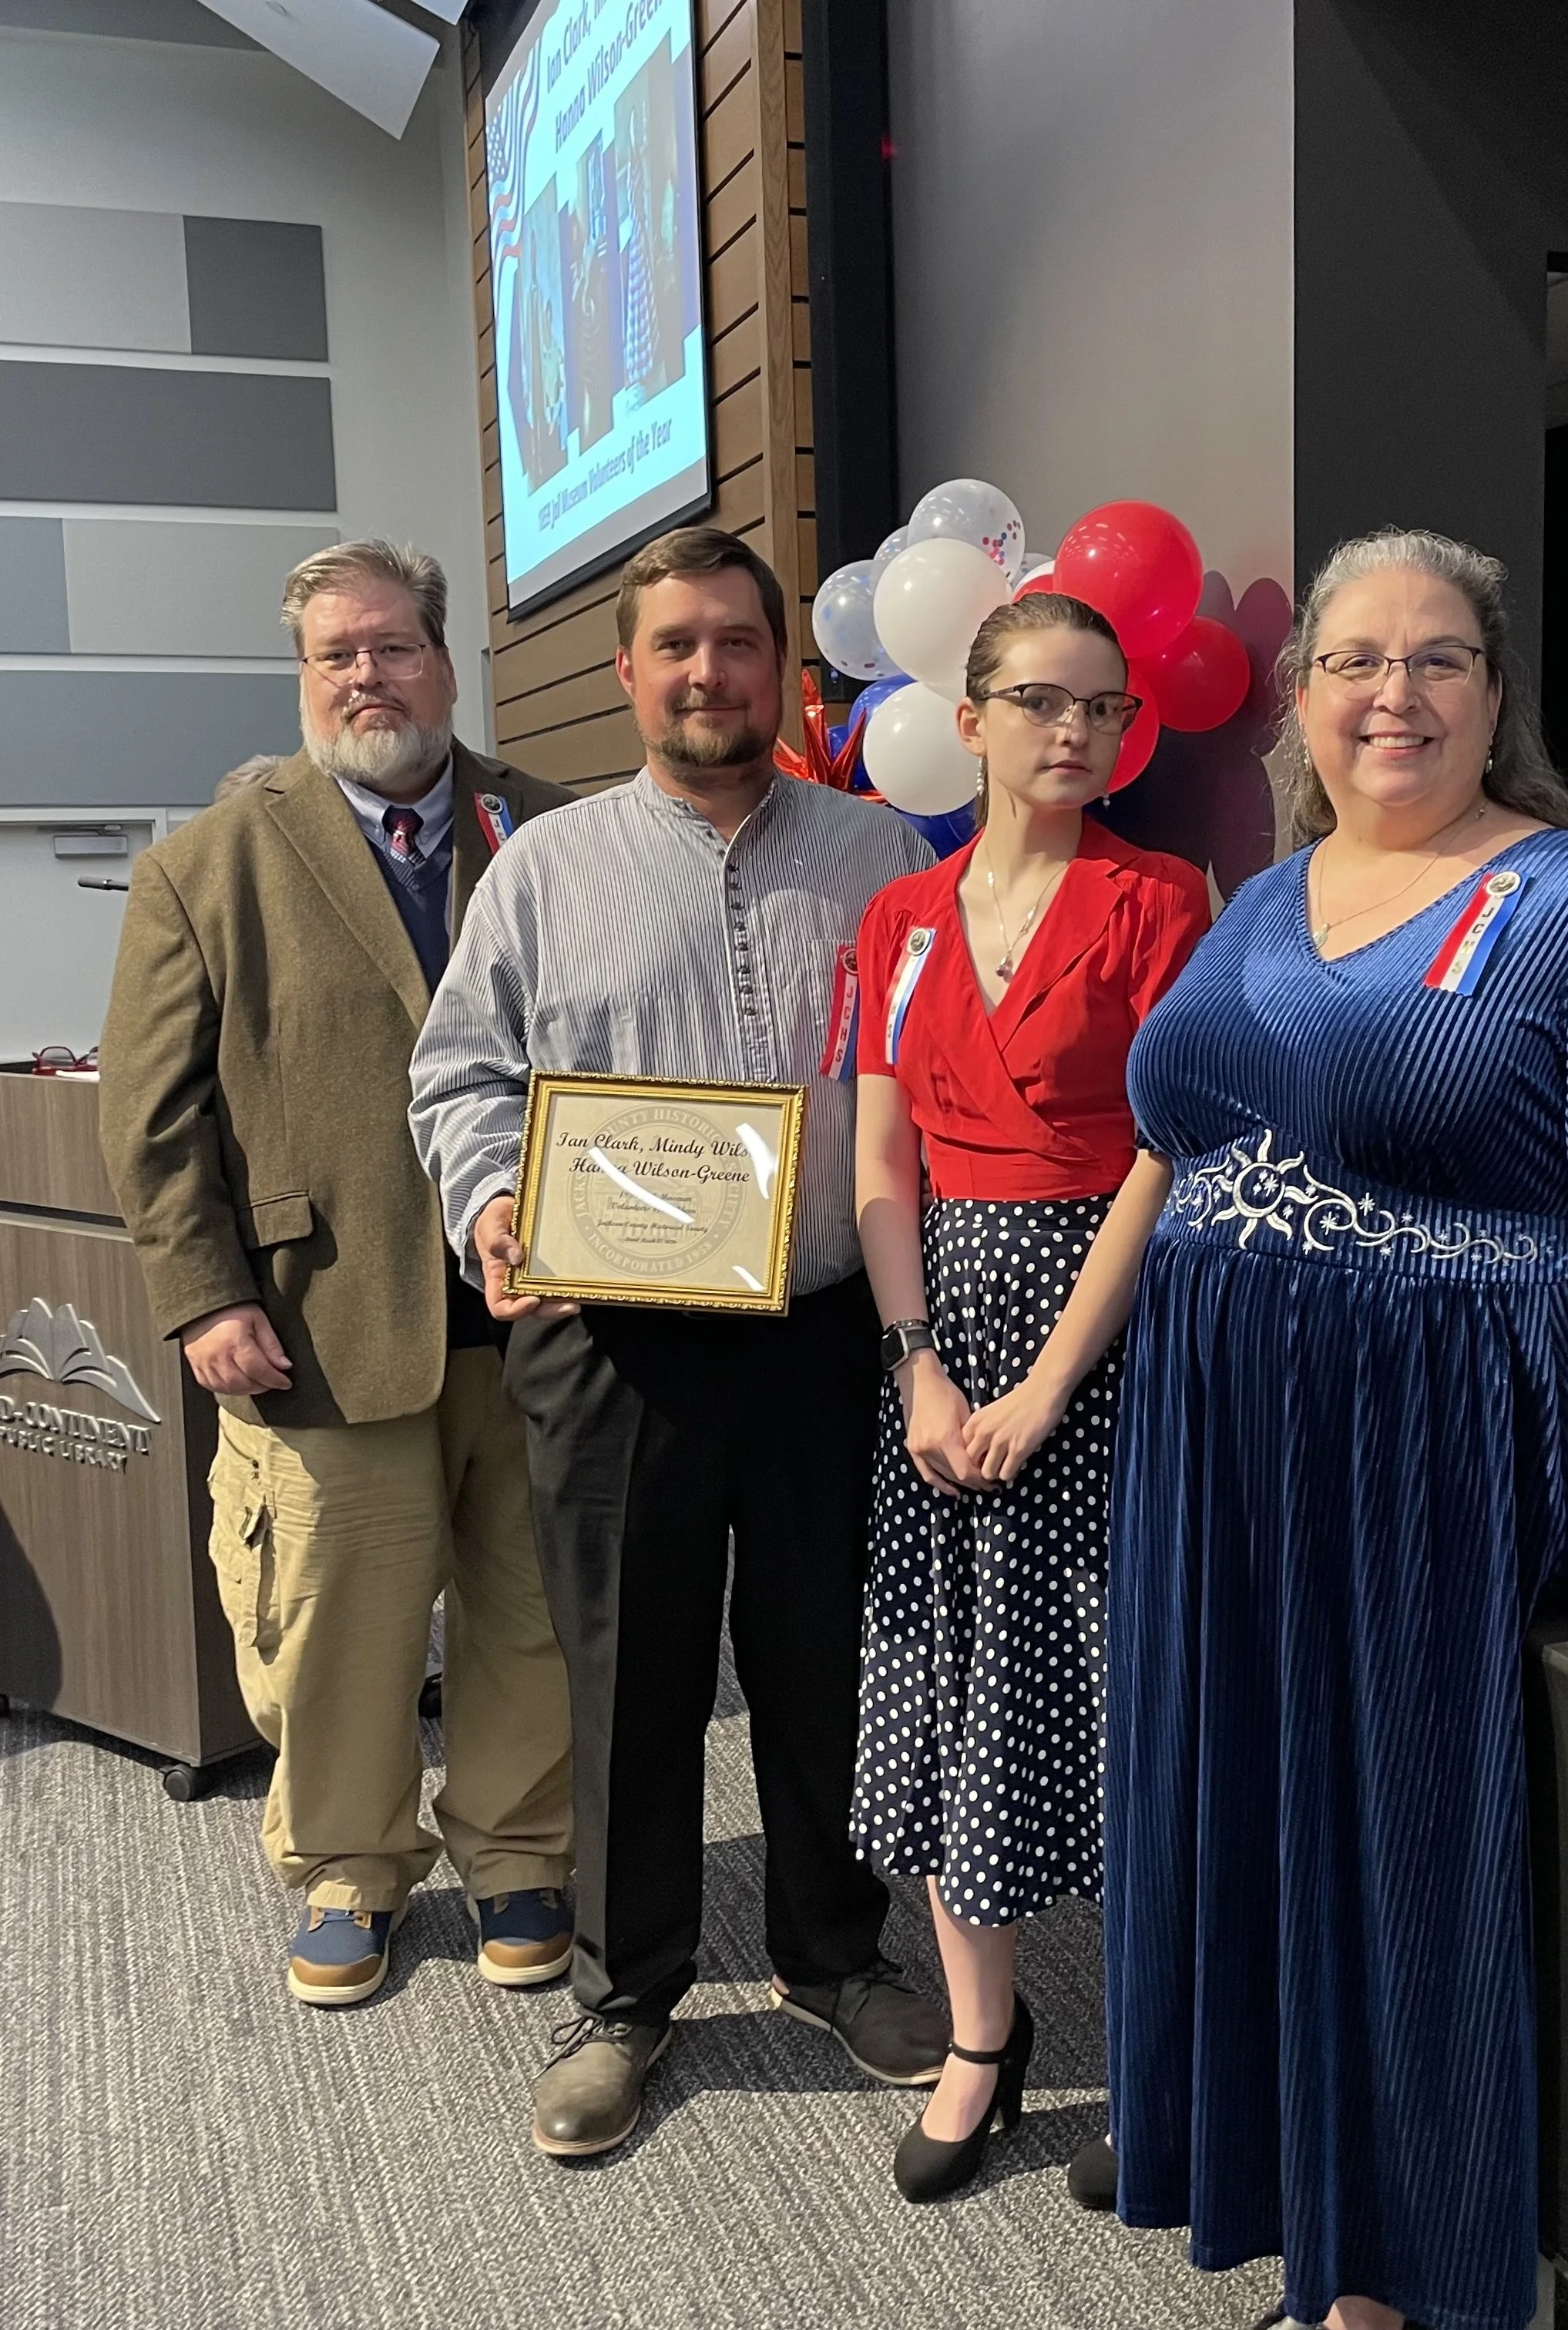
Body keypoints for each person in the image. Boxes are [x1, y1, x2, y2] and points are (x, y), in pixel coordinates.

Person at [1090, 529, 1568, 2330]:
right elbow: (1174, 1145)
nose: (1389, 695)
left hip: (1436, 1460)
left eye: (1434, 662)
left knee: (1411, 1846)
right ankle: (1323, 2227)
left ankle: (1408, 2282)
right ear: (1302, 696)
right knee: (1261, 1824)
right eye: (1351, 661)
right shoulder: (1267, 891)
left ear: (1493, 698)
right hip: (1233, 1459)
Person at [408, 525, 947, 2161]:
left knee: (819, 1657)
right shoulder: (540, 872)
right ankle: (626, 1992)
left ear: (785, 669)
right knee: (627, 1677)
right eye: (676, 646)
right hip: (612, 1341)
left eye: (736, 642)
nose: (707, 671)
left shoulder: (880, 857)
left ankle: (830, 1954)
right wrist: (496, 1203)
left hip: (818, 1331)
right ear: (628, 672)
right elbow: (460, 1079)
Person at [99, 540, 576, 2010]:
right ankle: (348, 1870)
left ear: (445, 657)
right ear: (305, 678)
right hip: (322, 1312)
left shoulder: (552, 830)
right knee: (339, 1618)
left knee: (528, 1605)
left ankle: (517, 1849)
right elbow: (153, 1108)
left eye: (393, 646)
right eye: (336, 656)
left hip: (538, 1306)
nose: (368, 676)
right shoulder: (207, 862)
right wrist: (202, 1292)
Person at [851, 593, 1208, 2202]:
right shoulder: (899, 916)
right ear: (972, 716)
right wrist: (919, 1364)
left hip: (1103, 1350)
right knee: (949, 1705)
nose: (1075, 736)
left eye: (1105, 711)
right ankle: (981, 2047)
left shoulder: (1159, 899)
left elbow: (1163, 1157)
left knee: (1130, 1701)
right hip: (937, 1357)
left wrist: (1050, 1384)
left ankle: (1156, 2057)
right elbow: (880, 1163)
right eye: (1042, 704)